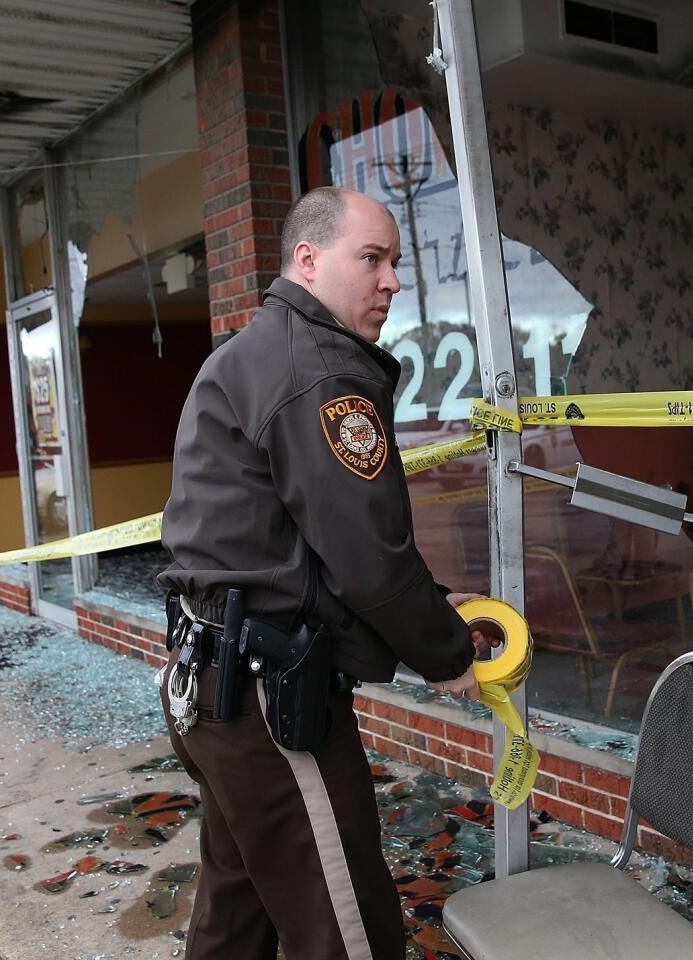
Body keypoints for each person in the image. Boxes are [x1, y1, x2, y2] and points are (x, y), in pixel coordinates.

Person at [157, 186, 486, 960]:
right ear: (307, 260)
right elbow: (369, 558)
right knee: (348, 934)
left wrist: (432, 605)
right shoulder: (319, 372)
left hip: (216, 690)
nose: (393, 281)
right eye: (371, 258)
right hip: (274, 706)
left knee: (234, 921)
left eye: (396, 262)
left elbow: (295, 543)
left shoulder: (257, 351)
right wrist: (449, 651)